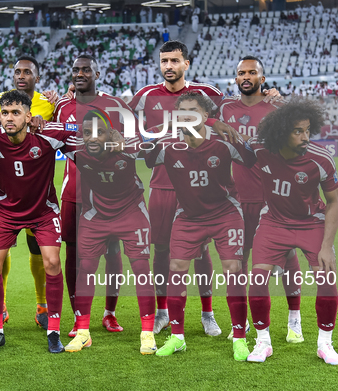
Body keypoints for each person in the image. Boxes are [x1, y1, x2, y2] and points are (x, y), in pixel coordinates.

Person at [147, 92, 254, 361]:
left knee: (234, 269)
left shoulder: (223, 142)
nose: (186, 116)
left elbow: (251, 160)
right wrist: (156, 136)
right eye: (181, 111)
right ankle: (177, 337)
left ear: (205, 116)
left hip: (225, 214)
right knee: (176, 268)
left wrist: (233, 134)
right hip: (188, 216)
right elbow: (147, 158)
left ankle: (240, 337)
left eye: (192, 111)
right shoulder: (169, 146)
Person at [129, 40, 225, 336]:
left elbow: (230, 117)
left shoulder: (208, 94)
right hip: (162, 185)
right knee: (160, 249)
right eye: (164, 61)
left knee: (201, 251)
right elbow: (122, 122)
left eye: (174, 61)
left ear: (186, 64)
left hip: (199, 186)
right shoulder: (145, 96)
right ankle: (162, 311)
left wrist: (270, 91)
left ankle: (207, 313)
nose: (168, 66)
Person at [246, 99, 338, 366]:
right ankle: (262, 341)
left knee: (326, 277)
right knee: (257, 279)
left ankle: (325, 344)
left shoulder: (320, 158)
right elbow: (231, 142)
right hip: (274, 222)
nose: (305, 137)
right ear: (280, 132)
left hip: (311, 222)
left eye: (308, 130)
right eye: (298, 131)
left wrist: (327, 246)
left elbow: (334, 202)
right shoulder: (260, 149)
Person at [0, 90, 76, 353]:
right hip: (5, 210)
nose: (9, 118)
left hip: (43, 210)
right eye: (5, 113)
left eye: (15, 113)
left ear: (28, 116)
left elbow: (77, 129)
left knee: (53, 261)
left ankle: (53, 330)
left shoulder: (48, 135)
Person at [218, 56, 304, 342]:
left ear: (262, 79)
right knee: (237, 263)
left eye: (252, 72)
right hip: (237, 200)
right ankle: (239, 324)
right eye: (241, 72)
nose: (246, 76)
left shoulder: (276, 108)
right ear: (235, 78)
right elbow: (197, 114)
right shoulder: (226, 108)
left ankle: (295, 319)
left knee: (286, 258)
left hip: (274, 199)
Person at [65, 111, 156, 354]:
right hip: (96, 215)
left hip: (131, 213)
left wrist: (127, 140)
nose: (92, 138)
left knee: (141, 270)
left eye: (99, 132)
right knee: (86, 269)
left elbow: (154, 139)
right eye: (87, 133)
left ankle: (147, 333)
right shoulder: (77, 149)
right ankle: (83, 332)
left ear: (110, 133)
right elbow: (49, 132)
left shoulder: (125, 147)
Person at [54, 54, 130, 337]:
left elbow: (129, 142)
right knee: (73, 254)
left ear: (98, 73)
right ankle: (78, 314)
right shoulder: (62, 106)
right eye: (75, 69)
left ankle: (110, 313)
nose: (80, 73)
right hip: (73, 191)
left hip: (108, 193)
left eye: (86, 69)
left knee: (112, 252)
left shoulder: (114, 105)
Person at [0, 55, 58, 332]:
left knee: (38, 248)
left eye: (28, 72)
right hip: (5, 191)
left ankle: (42, 305)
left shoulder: (49, 103)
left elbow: (63, 127)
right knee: (0, 251)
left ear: (37, 77)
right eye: (17, 71)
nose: (21, 75)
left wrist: (65, 98)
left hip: (37, 191)